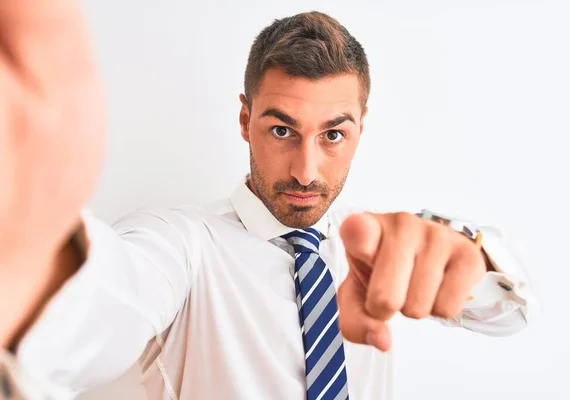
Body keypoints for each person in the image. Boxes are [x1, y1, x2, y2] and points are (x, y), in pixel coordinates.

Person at [0, 5, 540, 400]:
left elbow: (511, 316)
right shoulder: (182, 246)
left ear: (361, 128)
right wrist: (29, 266)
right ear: (244, 119)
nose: (306, 170)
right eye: (282, 130)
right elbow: (103, 309)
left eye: (333, 135)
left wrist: (465, 254)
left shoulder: (376, 252)